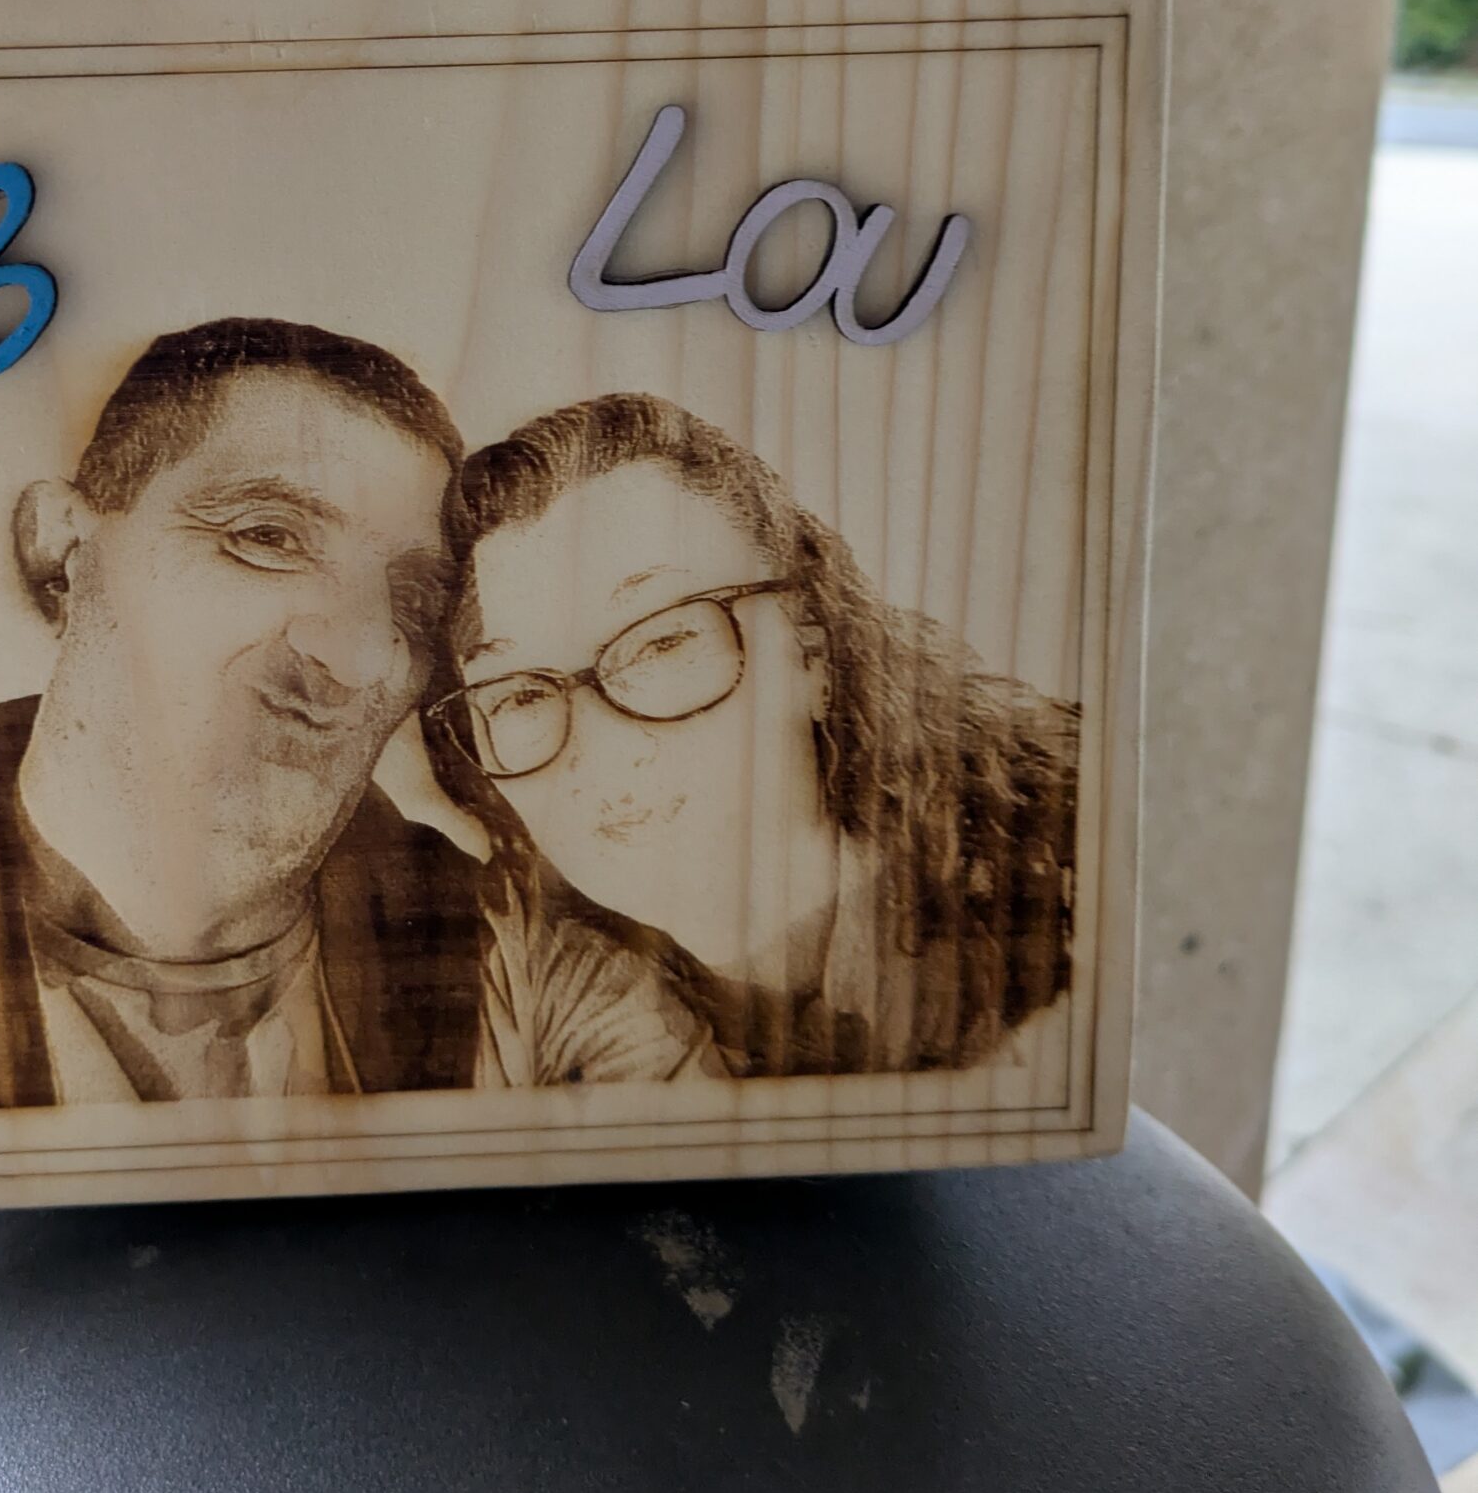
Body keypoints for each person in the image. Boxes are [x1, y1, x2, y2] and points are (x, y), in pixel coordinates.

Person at [0, 321, 719, 1114]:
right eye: (266, 538)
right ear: (61, 550)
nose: (359, 653)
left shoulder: (518, 969)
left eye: (411, 597)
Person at [423, 393, 1078, 1079]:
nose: (598, 750)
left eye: (663, 643)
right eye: (521, 694)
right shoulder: (529, 1001)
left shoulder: (1069, 908)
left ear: (812, 653)